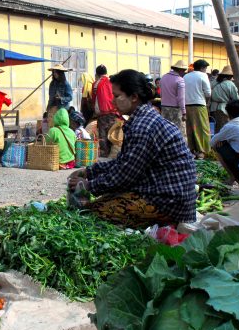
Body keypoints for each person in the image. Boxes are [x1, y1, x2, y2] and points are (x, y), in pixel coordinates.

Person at [68, 69, 196, 229]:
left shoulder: (143, 126)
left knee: (92, 214)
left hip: (169, 203)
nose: (113, 101)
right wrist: (89, 172)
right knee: (105, 199)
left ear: (134, 97)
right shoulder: (143, 119)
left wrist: (88, 185)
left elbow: (125, 175)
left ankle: (165, 222)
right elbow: (123, 163)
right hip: (167, 194)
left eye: (116, 96)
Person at [210, 100, 239, 185]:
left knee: (218, 146)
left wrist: (223, 141)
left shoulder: (230, 126)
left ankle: (233, 177)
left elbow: (212, 142)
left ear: (229, 114)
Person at [183, 59, 211, 159]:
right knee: (202, 129)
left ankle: (191, 150)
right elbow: (208, 93)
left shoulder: (186, 76)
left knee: (190, 129)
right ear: (202, 68)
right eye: (206, 68)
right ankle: (201, 151)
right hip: (199, 105)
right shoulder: (203, 75)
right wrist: (207, 101)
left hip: (187, 105)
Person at [92, 64, 121, 157]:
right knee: (113, 134)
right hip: (115, 112)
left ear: (97, 74)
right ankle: (114, 155)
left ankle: (104, 155)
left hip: (103, 113)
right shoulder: (113, 81)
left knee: (103, 136)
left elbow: (94, 99)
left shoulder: (96, 84)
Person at [159, 60, 187, 136]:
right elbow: (181, 98)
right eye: (184, 70)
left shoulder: (163, 77)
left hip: (164, 108)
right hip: (176, 109)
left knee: (166, 131)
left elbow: (161, 94)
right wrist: (184, 112)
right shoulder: (180, 80)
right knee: (179, 132)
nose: (184, 72)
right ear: (180, 70)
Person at [210, 65, 239, 133]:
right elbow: (235, 98)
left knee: (214, 128)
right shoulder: (230, 84)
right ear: (230, 75)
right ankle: (222, 143)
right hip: (223, 109)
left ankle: (214, 142)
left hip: (212, 109)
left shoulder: (214, 82)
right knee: (223, 129)